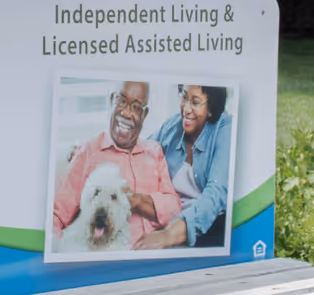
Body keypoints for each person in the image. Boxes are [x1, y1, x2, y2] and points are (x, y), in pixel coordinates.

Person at [51, 81, 181, 249]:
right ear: (112, 99)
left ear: (144, 114)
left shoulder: (154, 152)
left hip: (153, 253)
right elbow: (56, 215)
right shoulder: (88, 152)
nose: (127, 113)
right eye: (122, 101)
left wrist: (136, 201)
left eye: (136, 107)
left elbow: (174, 208)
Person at [137, 85, 232, 250]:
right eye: (184, 98)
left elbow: (216, 194)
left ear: (211, 109)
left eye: (195, 102)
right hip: (167, 219)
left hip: (206, 228)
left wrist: (168, 236)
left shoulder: (225, 129)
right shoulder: (173, 126)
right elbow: (141, 153)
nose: (186, 109)